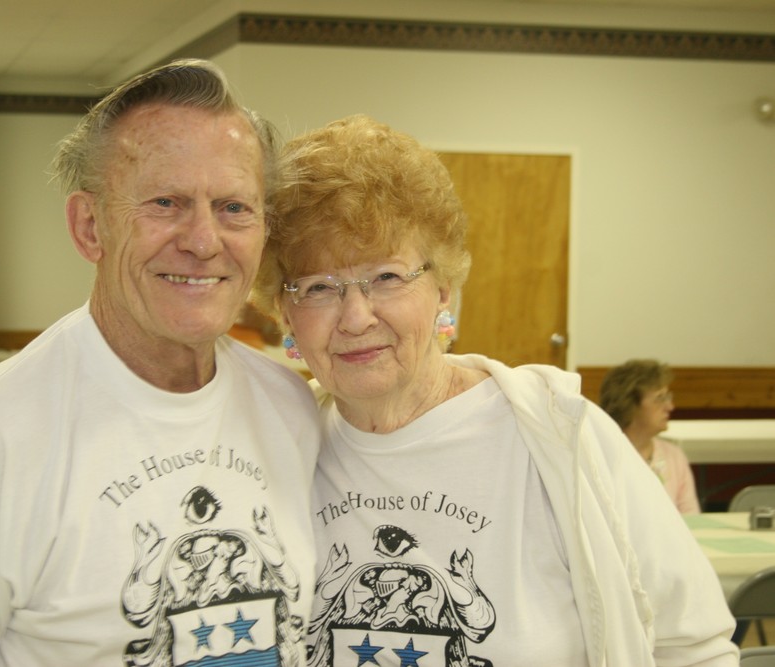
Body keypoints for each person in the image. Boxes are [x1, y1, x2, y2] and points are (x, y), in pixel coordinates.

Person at [251, 114, 737, 666]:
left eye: (387, 277)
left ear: (444, 290)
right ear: (284, 312)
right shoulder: (277, 451)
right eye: (319, 288)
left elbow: (694, 646)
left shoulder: (561, 437)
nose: (357, 316)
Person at [0, 60, 320, 666]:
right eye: (166, 202)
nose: (203, 240)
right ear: (90, 226)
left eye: (234, 208)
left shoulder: (291, 408)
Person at [600, 359, 701, 514]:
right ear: (629, 404)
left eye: (668, 397)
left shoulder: (673, 456)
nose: (670, 407)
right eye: (660, 398)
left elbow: (691, 519)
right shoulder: (601, 457)